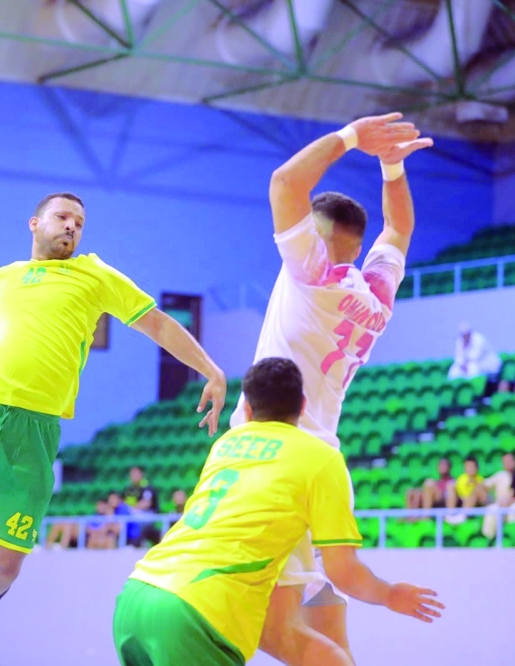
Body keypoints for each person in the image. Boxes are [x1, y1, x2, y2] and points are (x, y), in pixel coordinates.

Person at [0, 192, 227, 666]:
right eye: (62, 216)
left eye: (79, 221)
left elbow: (159, 325)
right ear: (34, 223)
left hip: (33, 434)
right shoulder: (8, 277)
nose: (72, 226)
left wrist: (210, 369)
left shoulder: (94, 275)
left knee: (3, 570)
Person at [226, 112, 430, 665]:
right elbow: (398, 231)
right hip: (321, 460)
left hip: (270, 456)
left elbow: (284, 183)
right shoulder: (376, 296)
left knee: (263, 624)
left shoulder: (310, 271)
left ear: (315, 235)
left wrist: (352, 137)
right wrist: (392, 168)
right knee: (322, 603)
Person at [114, 358, 443, 666]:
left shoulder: (225, 444)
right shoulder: (321, 459)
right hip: (195, 610)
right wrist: (389, 594)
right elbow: (342, 571)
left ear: (247, 408)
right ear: (303, 405)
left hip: (137, 594)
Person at [124, 466, 162, 547]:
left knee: (132, 516)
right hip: (134, 512)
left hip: (149, 514)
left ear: (141, 474)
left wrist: (131, 509)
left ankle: (136, 543)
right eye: (132, 474)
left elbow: (146, 503)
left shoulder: (147, 486)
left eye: (136, 474)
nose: (133, 476)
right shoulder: (129, 488)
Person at [481, 452, 515, 539]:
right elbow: (484, 485)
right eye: (505, 461)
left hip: (513, 504)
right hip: (499, 504)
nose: (508, 463)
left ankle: (513, 539)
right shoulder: (500, 475)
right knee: (491, 509)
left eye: (510, 460)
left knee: (514, 511)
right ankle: (488, 539)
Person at [447, 456, 487, 524]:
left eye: (472, 466)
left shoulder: (480, 480)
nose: (469, 469)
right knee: (450, 486)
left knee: (477, 490)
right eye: (467, 467)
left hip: (478, 504)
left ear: (477, 468)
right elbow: (462, 496)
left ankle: (461, 516)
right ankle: (450, 514)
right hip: (464, 502)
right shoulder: (461, 479)